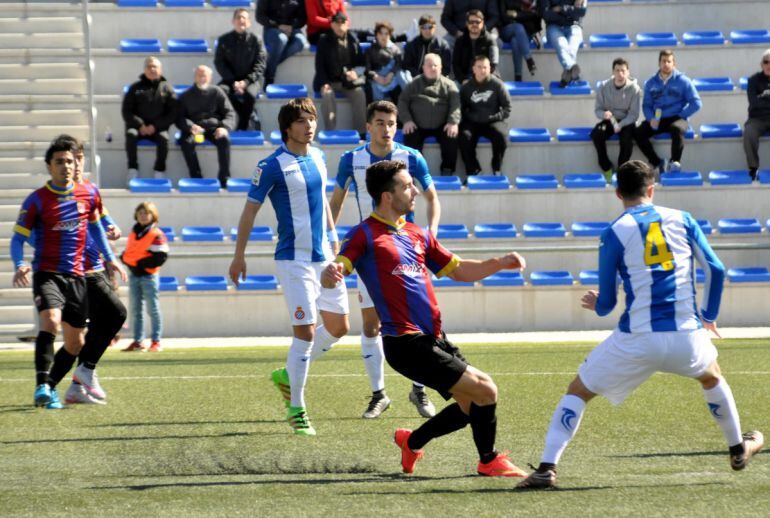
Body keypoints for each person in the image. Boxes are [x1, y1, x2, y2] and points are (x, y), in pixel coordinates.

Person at [516, 160, 765, 490]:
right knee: (711, 376)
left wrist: (596, 303)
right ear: (652, 189)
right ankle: (737, 449)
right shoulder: (683, 220)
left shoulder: (613, 233)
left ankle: (547, 468)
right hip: (685, 334)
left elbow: (606, 306)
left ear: (618, 193)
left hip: (637, 338)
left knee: (578, 392)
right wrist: (708, 316)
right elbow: (717, 270)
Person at [322, 159, 529, 477]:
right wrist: (331, 272)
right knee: (486, 390)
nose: (415, 190)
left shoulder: (418, 234)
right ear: (387, 196)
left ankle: (412, 441)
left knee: (469, 405)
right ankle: (488, 460)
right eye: (407, 186)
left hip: (434, 337)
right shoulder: (364, 234)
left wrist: (498, 263)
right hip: (404, 342)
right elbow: (339, 266)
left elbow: (458, 270)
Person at [229, 97, 349, 436]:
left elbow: (324, 200)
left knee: (339, 327)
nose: (309, 125)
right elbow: (249, 211)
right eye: (301, 120)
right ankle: (297, 408)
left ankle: (288, 372)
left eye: (312, 118)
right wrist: (239, 255)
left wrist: (334, 236)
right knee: (306, 332)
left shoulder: (321, 157)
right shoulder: (270, 165)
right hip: (292, 260)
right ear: (287, 128)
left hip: (323, 255)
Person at [330, 101, 442, 419]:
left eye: (391, 123)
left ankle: (418, 390)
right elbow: (336, 201)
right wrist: (331, 239)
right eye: (380, 123)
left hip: (407, 250)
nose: (386, 128)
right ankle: (379, 394)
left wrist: (430, 239)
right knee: (370, 323)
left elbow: (433, 198)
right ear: (368, 126)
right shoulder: (351, 159)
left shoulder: (412, 157)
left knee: (418, 323)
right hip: (371, 253)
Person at [10, 136, 126, 409]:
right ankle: (54, 381)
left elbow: (101, 223)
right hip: (55, 272)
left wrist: (111, 254)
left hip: (83, 273)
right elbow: (21, 237)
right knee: (53, 320)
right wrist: (22, 262)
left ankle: (71, 380)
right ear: (50, 166)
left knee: (79, 339)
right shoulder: (38, 200)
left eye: (74, 160)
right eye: (61, 161)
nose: (69, 165)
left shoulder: (90, 192)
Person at [63, 139, 128, 405]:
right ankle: (80, 373)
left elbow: (104, 219)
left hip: (97, 266)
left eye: (80, 158)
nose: (77, 163)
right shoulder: (60, 193)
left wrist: (114, 229)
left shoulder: (90, 189)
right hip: (76, 270)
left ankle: (79, 381)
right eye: (72, 158)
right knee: (110, 317)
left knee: (98, 325)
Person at [634, 49, 702, 175]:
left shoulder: (683, 81)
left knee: (677, 129)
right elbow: (647, 105)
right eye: (663, 61)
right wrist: (650, 118)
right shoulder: (650, 83)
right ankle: (657, 162)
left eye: (669, 61)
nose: (666, 64)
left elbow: (696, 103)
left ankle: (675, 162)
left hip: (677, 117)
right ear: (659, 63)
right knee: (638, 132)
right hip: (657, 119)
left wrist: (681, 115)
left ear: (674, 64)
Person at [398, 53, 461, 175]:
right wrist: (407, 120)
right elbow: (402, 102)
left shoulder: (449, 85)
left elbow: (456, 104)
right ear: (423, 67)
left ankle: (447, 169)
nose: (433, 68)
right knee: (410, 139)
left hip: (442, 125)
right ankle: (413, 173)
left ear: (441, 67)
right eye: (429, 65)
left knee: (451, 138)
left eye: (435, 65)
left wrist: (453, 121)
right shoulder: (414, 84)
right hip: (417, 124)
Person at [177, 65, 237, 188]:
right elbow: (178, 117)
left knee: (224, 140)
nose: (202, 78)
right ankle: (196, 177)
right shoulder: (185, 96)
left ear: (210, 78)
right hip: (195, 131)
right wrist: (190, 126)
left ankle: (224, 178)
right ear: (195, 77)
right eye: (199, 75)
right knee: (186, 142)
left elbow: (230, 112)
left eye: (204, 75)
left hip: (213, 129)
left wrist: (224, 127)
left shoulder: (217, 92)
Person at [121, 202, 169, 353]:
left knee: (152, 309)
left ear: (153, 216)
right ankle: (138, 341)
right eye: (140, 213)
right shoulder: (134, 232)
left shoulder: (157, 234)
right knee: (135, 310)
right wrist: (127, 261)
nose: (143, 216)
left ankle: (156, 341)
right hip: (134, 275)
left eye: (146, 213)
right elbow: (129, 252)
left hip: (149, 275)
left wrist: (139, 264)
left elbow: (161, 256)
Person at [122, 56, 177, 184]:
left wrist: (155, 126)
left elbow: (173, 113)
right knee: (131, 134)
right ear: (144, 70)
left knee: (164, 139)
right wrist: (140, 125)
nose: (152, 69)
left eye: (155, 66)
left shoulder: (167, 88)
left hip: (158, 129)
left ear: (160, 70)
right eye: (149, 66)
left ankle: (159, 170)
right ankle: (132, 169)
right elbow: (126, 111)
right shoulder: (134, 88)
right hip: (137, 129)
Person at [313, 12, 367, 137]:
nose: (340, 25)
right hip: (329, 81)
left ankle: (361, 132)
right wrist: (324, 83)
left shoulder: (353, 39)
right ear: (331, 24)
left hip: (347, 82)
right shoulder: (324, 40)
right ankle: (330, 132)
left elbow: (361, 63)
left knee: (359, 93)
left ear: (347, 24)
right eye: (336, 22)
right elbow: (319, 66)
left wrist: (355, 73)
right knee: (327, 95)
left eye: (342, 22)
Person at [214, 8, 267, 131]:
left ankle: (242, 125)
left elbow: (260, 64)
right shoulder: (224, 40)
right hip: (230, 80)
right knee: (220, 92)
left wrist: (246, 82)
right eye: (238, 17)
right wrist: (233, 82)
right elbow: (219, 63)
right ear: (233, 21)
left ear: (249, 22)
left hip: (252, 80)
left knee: (250, 94)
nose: (241, 20)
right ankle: (247, 114)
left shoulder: (256, 40)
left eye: (244, 18)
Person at [459, 55, 511, 176]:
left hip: (492, 121)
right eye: (479, 67)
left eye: (485, 67)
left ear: (490, 69)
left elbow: (507, 107)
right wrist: (468, 117)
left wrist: (496, 117)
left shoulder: (497, 85)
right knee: (463, 137)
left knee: (501, 137)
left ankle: (496, 168)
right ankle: (474, 171)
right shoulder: (466, 87)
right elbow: (460, 108)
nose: (482, 70)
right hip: (472, 122)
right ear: (473, 69)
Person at [590, 57, 641, 180]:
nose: (620, 74)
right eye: (617, 70)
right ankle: (607, 167)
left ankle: (621, 171)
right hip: (609, 120)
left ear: (628, 72)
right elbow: (598, 110)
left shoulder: (634, 89)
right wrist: (604, 114)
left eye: (623, 70)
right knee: (596, 134)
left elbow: (634, 114)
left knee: (626, 141)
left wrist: (621, 124)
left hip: (626, 121)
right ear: (613, 72)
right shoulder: (603, 86)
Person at [256, 0, 308, 86]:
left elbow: (302, 18)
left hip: (292, 29)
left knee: (301, 41)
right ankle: (269, 77)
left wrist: (292, 27)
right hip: (272, 28)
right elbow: (259, 16)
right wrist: (278, 26)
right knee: (282, 39)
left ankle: (269, 66)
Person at [538, 0, 586, 87]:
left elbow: (581, 11)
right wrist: (569, 13)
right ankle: (572, 68)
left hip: (574, 26)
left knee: (572, 47)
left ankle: (567, 74)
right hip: (554, 27)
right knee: (561, 43)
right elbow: (546, 15)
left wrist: (561, 9)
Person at [365, 21, 411, 103]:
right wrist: (376, 76)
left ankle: (411, 98)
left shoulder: (395, 49)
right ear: (376, 35)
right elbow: (367, 69)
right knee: (373, 89)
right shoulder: (370, 50)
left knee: (401, 77)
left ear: (390, 35)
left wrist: (391, 74)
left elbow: (398, 65)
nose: (384, 36)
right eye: (381, 33)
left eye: (386, 34)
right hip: (377, 80)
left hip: (392, 79)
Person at [743, 48, 770, 181]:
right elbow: (753, 102)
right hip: (757, 118)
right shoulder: (753, 80)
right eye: (766, 62)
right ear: (761, 64)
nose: (769, 65)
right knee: (749, 132)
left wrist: (763, 97)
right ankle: (753, 168)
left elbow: (758, 100)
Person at [498, 0, 540, 82]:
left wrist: (515, 15)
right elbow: (503, 17)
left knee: (516, 41)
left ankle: (518, 76)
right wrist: (522, 15)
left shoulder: (530, 2)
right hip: (506, 30)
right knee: (518, 27)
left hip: (525, 32)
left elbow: (534, 15)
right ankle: (529, 59)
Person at [452, 10, 499, 82]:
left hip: (487, 77)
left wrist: (482, 79)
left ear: (482, 23)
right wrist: (462, 80)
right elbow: (455, 64)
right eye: (471, 22)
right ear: (467, 23)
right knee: (453, 89)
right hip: (465, 78)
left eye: (477, 22)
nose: (474, 24)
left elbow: (493, 64)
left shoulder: (490, 40)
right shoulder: (460, 41)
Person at [402, 15, 452, 80]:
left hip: (437, 79)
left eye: (430, 27)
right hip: (416, 79)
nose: (427, 30)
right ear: (419, 28)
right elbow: (407, 66)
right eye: (424, 27)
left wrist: (433, 76)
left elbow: (447, 68)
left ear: (435, 27)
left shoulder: (442, 45)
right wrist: (421, 77)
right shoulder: (412, 45)